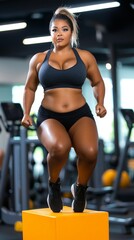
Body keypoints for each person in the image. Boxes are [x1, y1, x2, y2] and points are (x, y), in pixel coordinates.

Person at [21, 7, 107, 213]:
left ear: (72, 32)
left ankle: (80, 188)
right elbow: (29, 87)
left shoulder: (85, 57)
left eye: (64, 29)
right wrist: (26, 112)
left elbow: (97, 82)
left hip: (80, 113)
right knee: (60, 147)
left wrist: (100, 101)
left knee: (90, 152)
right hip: (49, 116)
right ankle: (54, 185)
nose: (59, 33)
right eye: (54, 30)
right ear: (50, 33)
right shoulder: (39, 59)